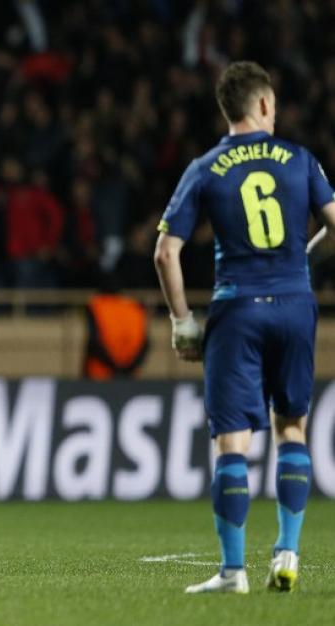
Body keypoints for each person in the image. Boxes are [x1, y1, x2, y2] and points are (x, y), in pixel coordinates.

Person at [153, 61, 335, 594]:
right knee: (292, 428)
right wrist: (303, 260)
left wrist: (182, 322)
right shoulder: (300, 159)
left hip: (237, 308)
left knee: (232, 443)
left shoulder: (206, 167)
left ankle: (234, 572)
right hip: (295, 304)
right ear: (262, 104)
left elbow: (165, 252)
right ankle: (287, 553)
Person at [82, 273, 148, 379]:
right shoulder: (135, 307)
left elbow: (94, 342)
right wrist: (129, 367)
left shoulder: (96, 306)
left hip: (99, 375)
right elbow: (145, 344)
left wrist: (115, 367)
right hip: (130, 375)